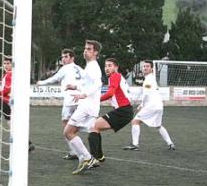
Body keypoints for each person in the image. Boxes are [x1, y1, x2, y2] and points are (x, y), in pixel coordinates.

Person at [36, 49, 83, 160]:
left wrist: (41, 83)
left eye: (66, 56)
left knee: (66, 126)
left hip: (70, 99)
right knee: (75, 126)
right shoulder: (80, 68)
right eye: (62, 57)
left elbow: (54, 78)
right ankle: (78, 151)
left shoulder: (65, 68)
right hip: (80, 98)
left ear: (72, 58)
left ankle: (74, 151)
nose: (63, 59)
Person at [64, 40, 102, 175]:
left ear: (95, 52)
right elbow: (87, 84)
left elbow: (98, 84)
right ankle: (86, 158)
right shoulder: (89, 66)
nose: (85, 51)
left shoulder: (94, 67)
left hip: (87, 107)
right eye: (85, 48)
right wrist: (75, 87)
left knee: (68, 132)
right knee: (71, 132)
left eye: (89, 49)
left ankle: (87, 158)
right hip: (88, 106)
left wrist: (84, 95)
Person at [87, 58, 134, 166]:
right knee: (95, 127)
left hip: (123, 111)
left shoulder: (115, 76)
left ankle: (93, 158)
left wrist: (95, 100)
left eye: (110, 65)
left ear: (116, 67)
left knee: (93, 127)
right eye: (106, 66)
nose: (107, 68)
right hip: (125, 111)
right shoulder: (117, 77)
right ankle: (99, 156)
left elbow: (110, 93)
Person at [123, 60, 175, 151]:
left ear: (151, 69)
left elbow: (146, 94)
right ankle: (170, 143)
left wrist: (142, 104)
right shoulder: (151, 79)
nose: (145, 68)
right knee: (158, 125)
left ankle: (135, 144)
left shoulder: (148, 79)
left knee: (135, 121)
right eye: (144, 66)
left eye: (147, 66)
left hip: (152, 106)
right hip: (159, 106)